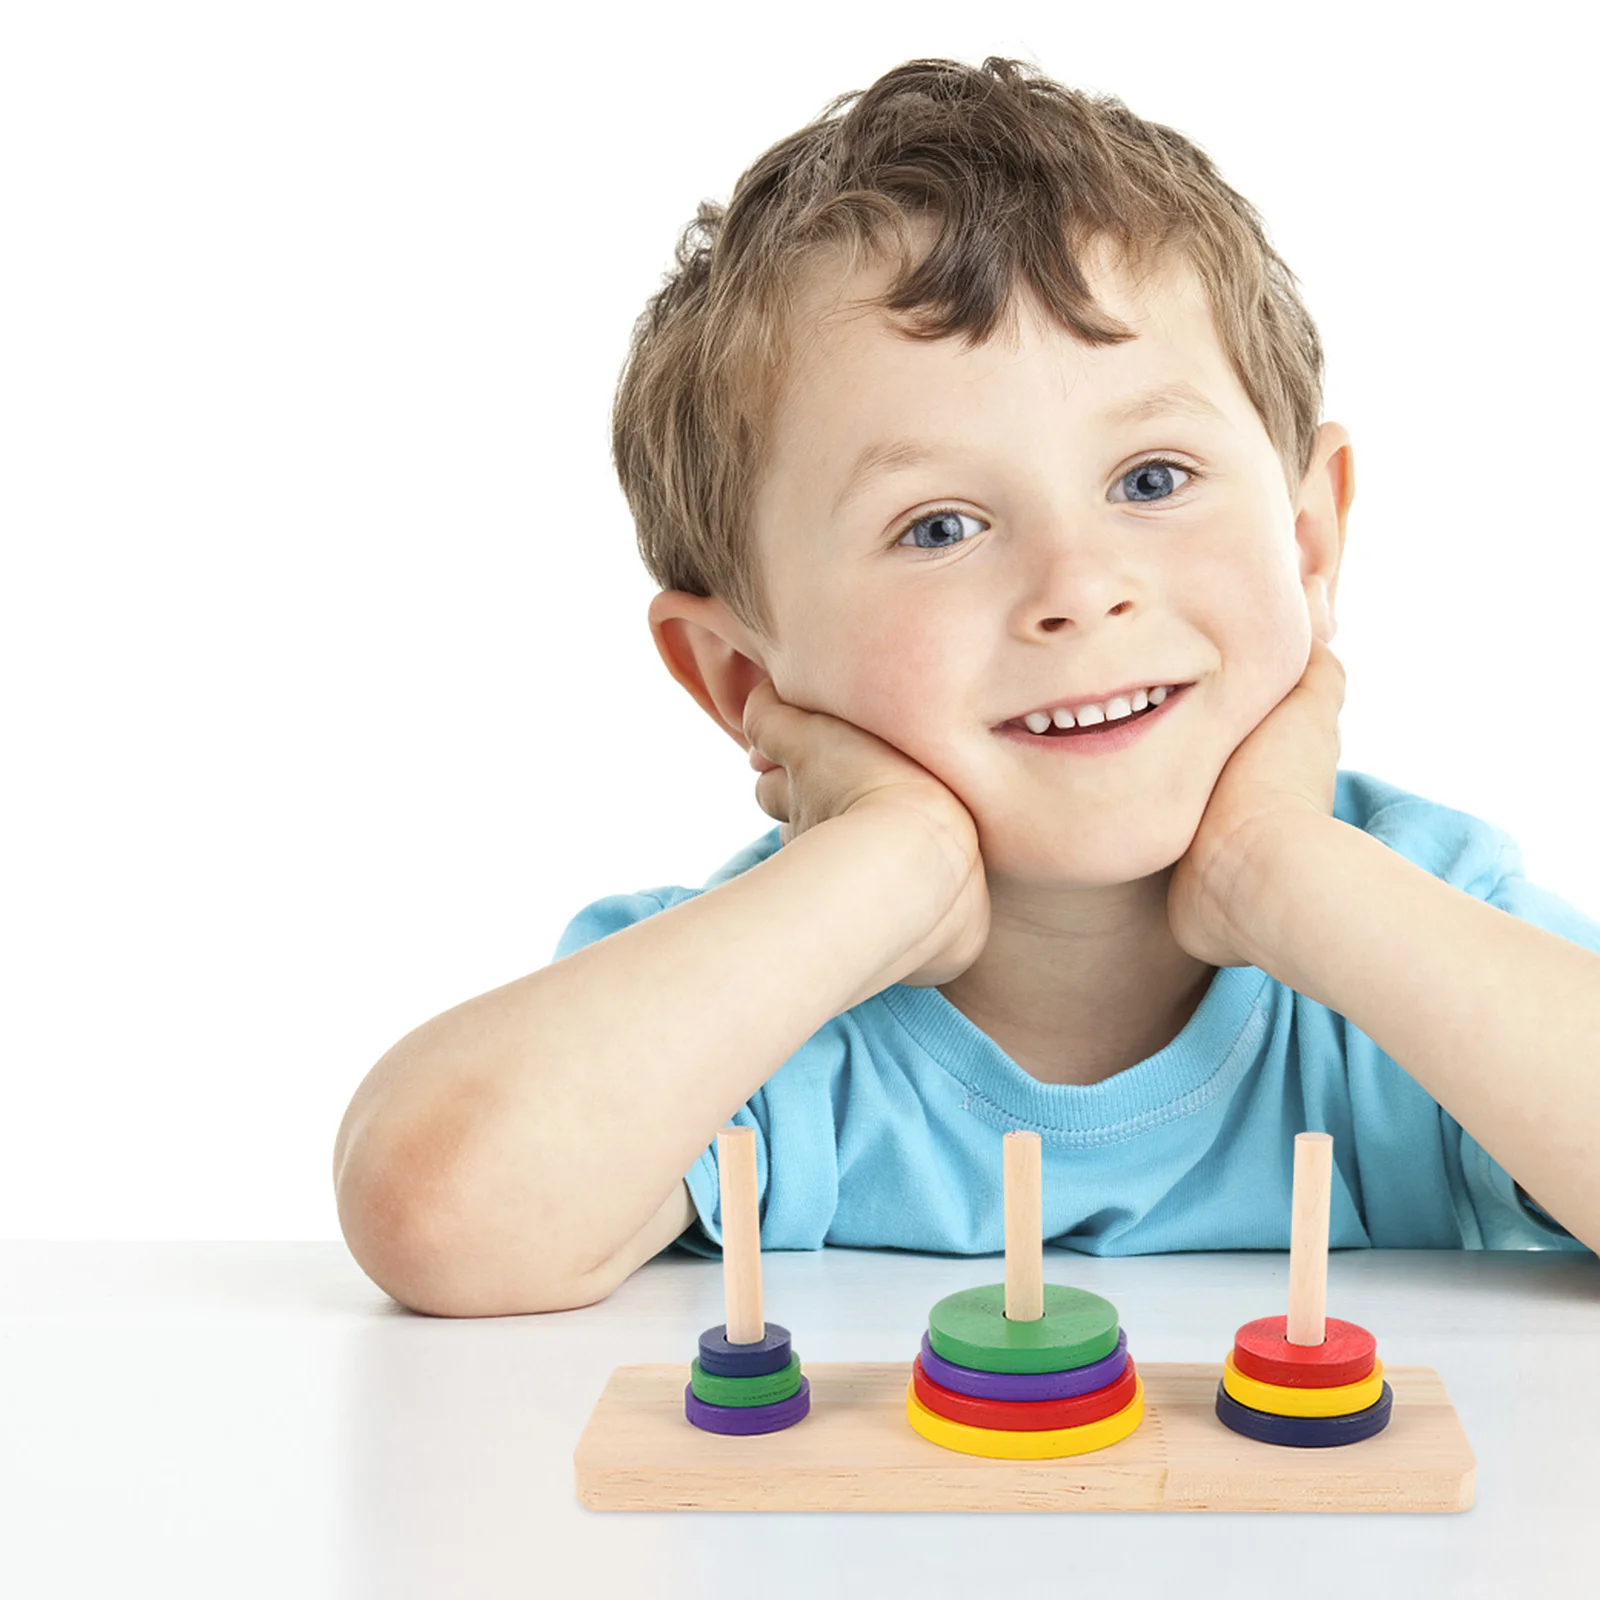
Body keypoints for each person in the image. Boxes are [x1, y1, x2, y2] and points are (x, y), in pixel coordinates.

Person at [332, 56, 1600, 1317]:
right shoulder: (755, 999)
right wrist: (886, 873)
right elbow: (436, 1211)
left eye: (1151, 480)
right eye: (938, 526)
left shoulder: (1412, 934)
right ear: (739, 674)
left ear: (1308, 544)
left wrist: (1279, 870)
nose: (1078, 585)